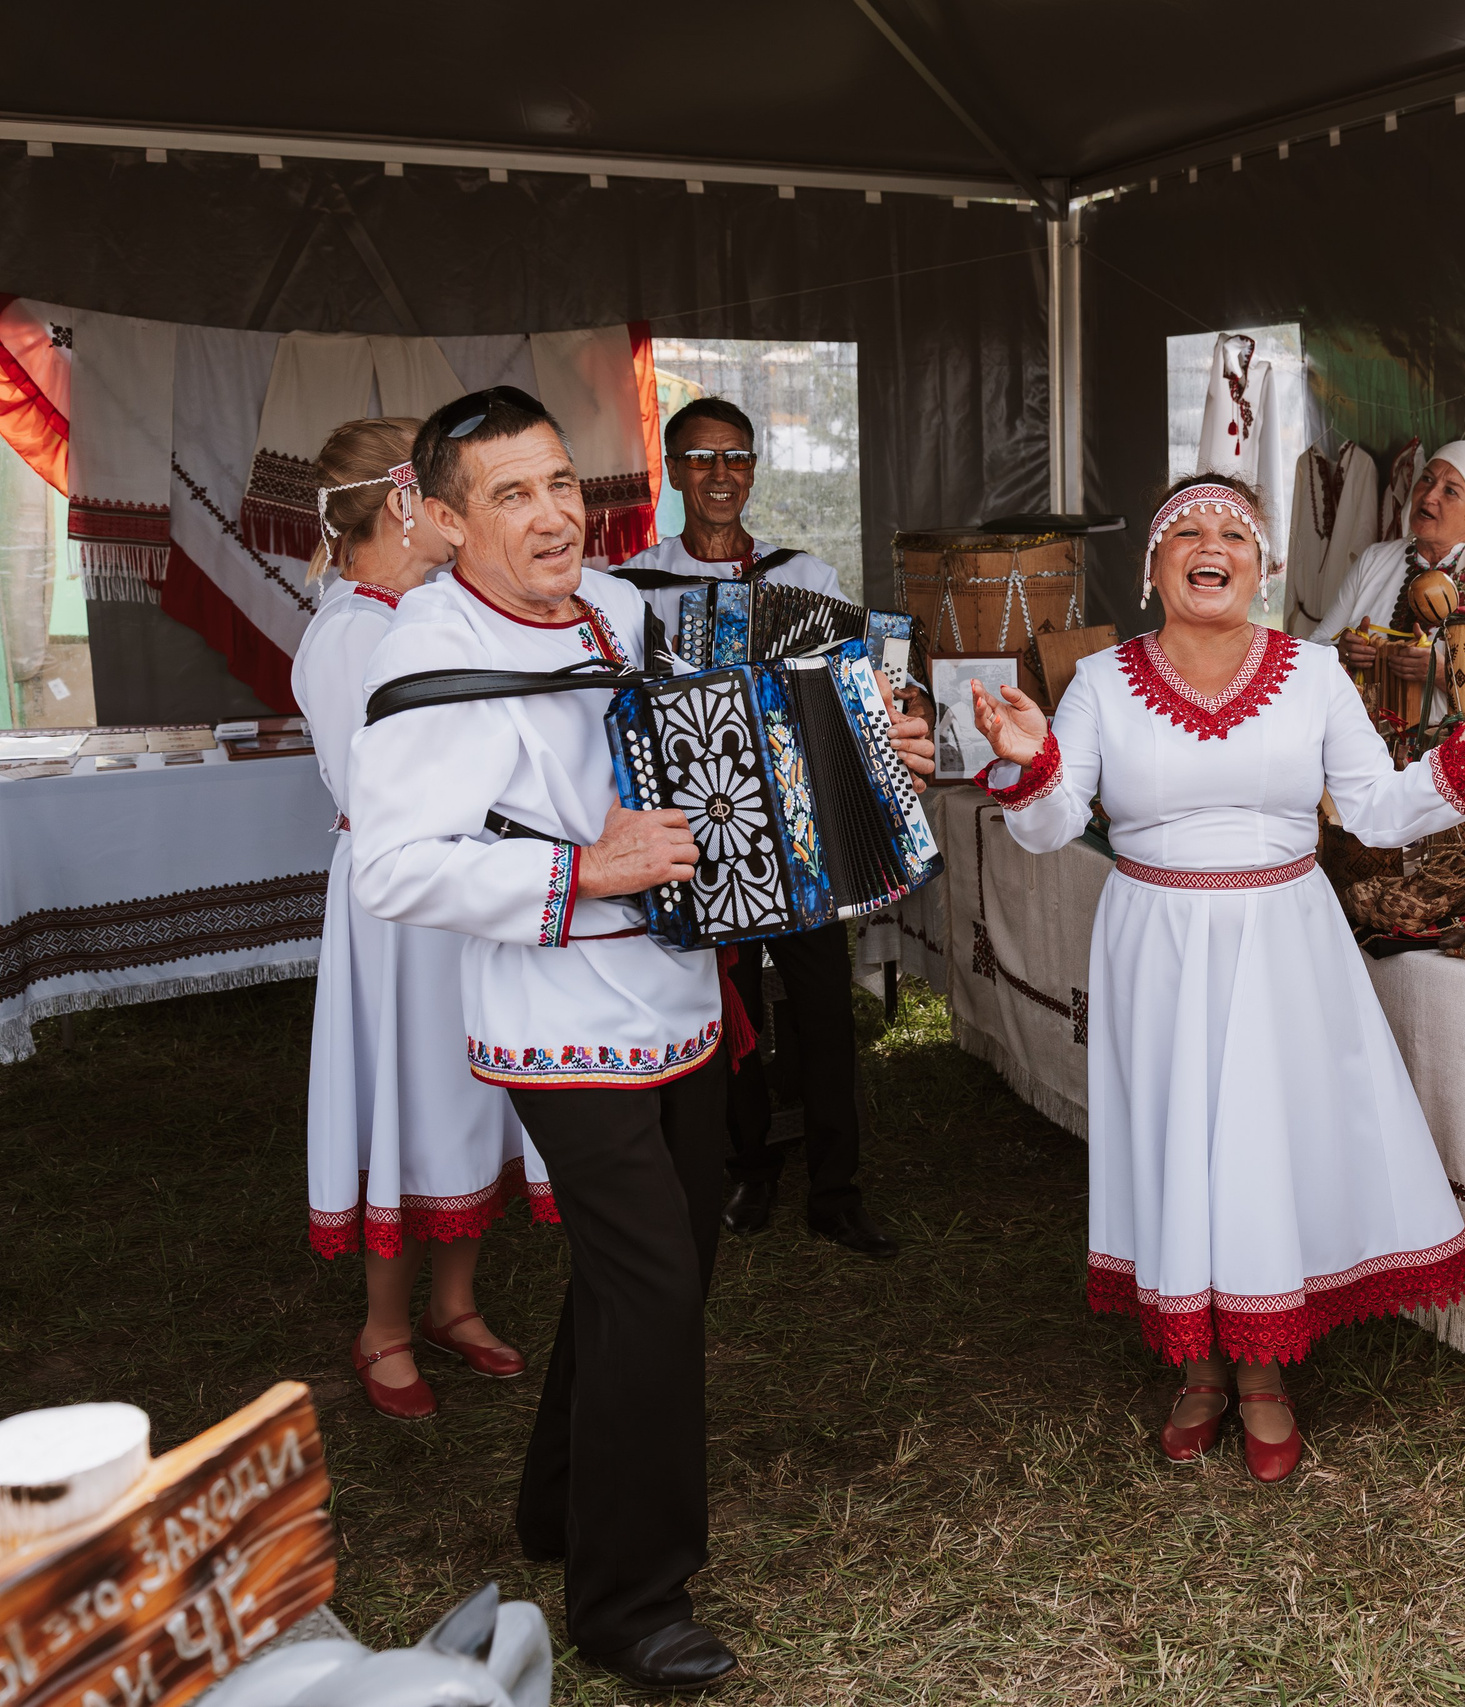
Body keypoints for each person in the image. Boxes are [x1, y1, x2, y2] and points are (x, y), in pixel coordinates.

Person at [967, 474, 1465, 1483]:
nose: (1210, 543)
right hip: (1157, 941)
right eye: (1186, 530)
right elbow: (1048, 830)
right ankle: (1201, 1368)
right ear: (1154, 567)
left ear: (1261, 569)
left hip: (1282, 938)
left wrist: (1452, 769)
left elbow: (1376, 812)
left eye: (1234, 532)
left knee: (1264, 1139)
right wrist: (1029, 761)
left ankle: (1265, 1373)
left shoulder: (1311, 673)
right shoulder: (1097, 682)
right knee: (1184, 1138)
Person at [349, 386, 736, 1692]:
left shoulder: (621, 611)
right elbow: (394, 870)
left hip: (676, 993)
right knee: (655, 1283)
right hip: (554, 1019)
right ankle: (631, 1600)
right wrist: (585, 871)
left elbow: (693, 754)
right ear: (445, 519)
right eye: (511, 492)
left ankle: (557, 1503)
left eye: (562, 482)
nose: (553, 512)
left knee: (664, 1263)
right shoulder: (423, 662)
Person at [294, 417, 548, 1423]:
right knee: (403, 1097)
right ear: (406, 500)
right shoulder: (355, 632)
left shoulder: (434, 614)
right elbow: (388, 781)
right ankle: (385, 1328)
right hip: (399, 907)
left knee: (465, 1090)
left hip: (463, 887)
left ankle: (454, 1303)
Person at [612, 395, 896, 1257]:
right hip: (695, 833)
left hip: (800, 826)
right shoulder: (633, 587)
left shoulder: (804, 577)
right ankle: (750, 1164)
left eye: (736, 457)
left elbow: (858, 683)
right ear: (675, 469)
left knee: (821, 1007)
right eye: (701, 458)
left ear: (754, 469)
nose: (720, 474)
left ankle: (836, 1189)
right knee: (726, 1005)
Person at [1309, 440, 1465, 720]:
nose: (1429, 495)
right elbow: (1313, 648)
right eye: (1426, 479)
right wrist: (1340, 652)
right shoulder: (1375, 560)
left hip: (1449, 755)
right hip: (1360, 746)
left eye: (1450, 491)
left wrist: (1440, 674)